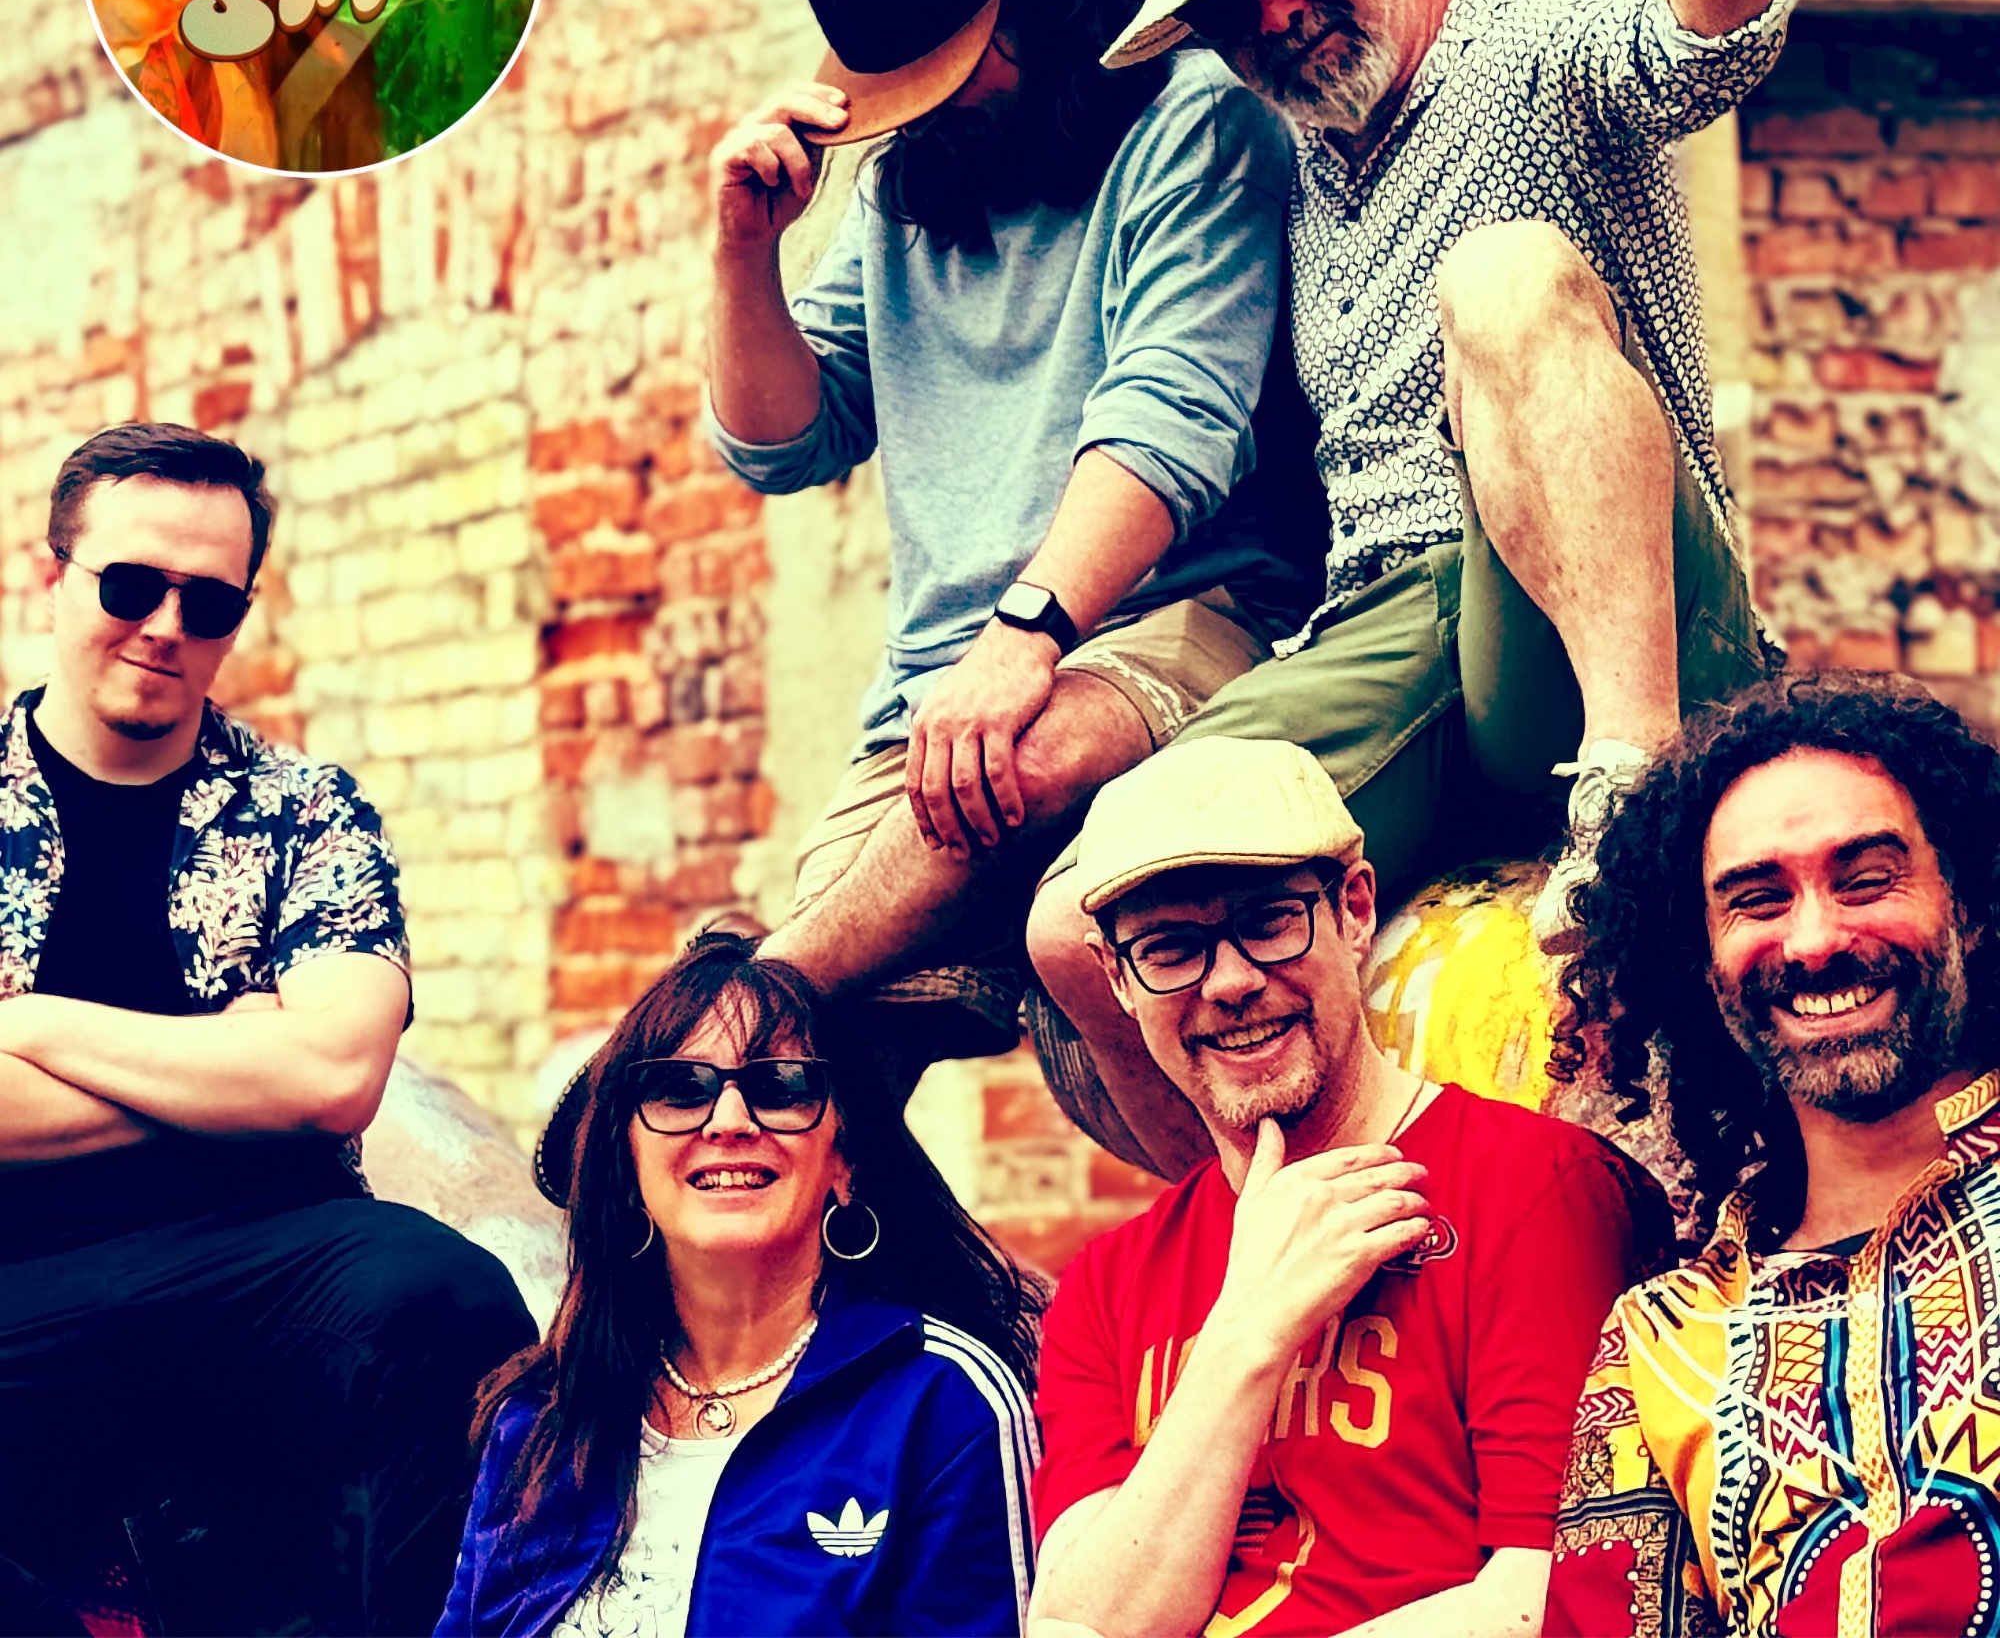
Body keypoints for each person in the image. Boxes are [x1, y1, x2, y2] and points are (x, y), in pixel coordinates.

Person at [1028, 0, 1799, 1175]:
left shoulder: (1527, 47)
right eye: (1232, 11)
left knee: (1503, 274)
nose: (1281, 16)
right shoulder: (1301, 184)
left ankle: (1638, 806)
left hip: (1611, 605)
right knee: (1076, 921)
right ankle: (1256, 1253)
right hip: (1393, 641)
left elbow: (1713, 38)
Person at [704, 0, 1316, 1092]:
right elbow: (781, 442)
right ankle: (973, 1279)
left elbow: (1172, 409)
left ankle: (736, 1001)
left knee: (1013, 773)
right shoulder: (902, 185)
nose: (920, 114)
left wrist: (1023, 633)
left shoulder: (1186, 114)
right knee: (815, 1086)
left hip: (1168, 614)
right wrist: (742, 248)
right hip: (944, 688)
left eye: (942, 72)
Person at [0, 422, 535, 1637]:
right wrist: (231, 1071)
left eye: (210, 600)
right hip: (21, 1283)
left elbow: (335, 1074)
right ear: (52, 578)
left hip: (270, 1264)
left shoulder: (307, 809)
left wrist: (31, 1023)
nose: (166, 626)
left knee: (445, 1295)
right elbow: (287, 1082)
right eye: (131, 585)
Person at [1029, 734, 1668, 1637]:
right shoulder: (1110, 1282)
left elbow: (1552, 1598)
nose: (1232, 982)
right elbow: (1080, 1622)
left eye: (1268, 921)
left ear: (1354, 908)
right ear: (1116, 979)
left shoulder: (1538, 1193)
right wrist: (1249, 1330)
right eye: (1171, 949)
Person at [1544, 672, 2000, 1636]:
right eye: (1756, 900)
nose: (1814, 940)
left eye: (1867, 879)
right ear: (1701, 967)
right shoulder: (1661, 1346)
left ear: (1968, 906)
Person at [440, 935, 1042, 1637]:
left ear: (844, 1161)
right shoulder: (539, 1418)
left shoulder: (945, 1403)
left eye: (780, 1087)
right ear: (629, 1165)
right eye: (680, 1089)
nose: (728, 1122)